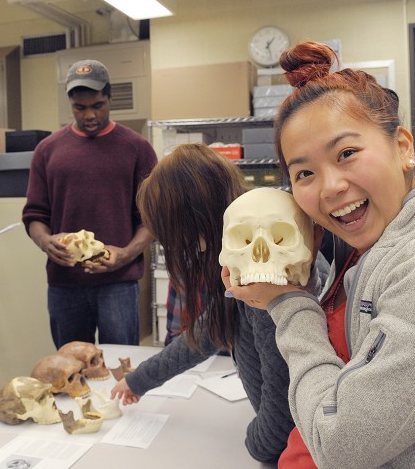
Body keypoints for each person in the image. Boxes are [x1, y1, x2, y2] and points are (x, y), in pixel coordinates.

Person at [226, 41, 415, 468]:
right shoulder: (371, 247)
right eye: (304, 173)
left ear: (403, 147)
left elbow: (340, 443)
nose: (329, 187)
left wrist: (288, 305)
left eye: (346, 153)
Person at [111, 144, 313, 463]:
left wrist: (253, 445)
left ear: (195, 220)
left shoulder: (261, 270)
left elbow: (282, 418)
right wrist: (140, 379)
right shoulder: (238, 258)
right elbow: (209, 329)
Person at [22, 59, 158, 348]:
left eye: (98, 105)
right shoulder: (48, 150)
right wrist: (45, 241)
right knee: (70, 369)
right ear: (70, 104)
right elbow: (35, 214)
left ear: (109, 97)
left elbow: (151, 219)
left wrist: (126, 254)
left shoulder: (136, 148)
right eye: (80, 108)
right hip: (64, 285)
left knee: (121, 368)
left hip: (118, 283)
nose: (90, 115)